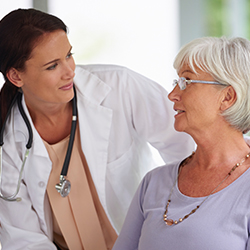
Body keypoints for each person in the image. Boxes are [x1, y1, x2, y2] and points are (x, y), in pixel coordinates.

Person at [0, 8, 194, 250]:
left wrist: (182, 219)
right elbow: (23, 238)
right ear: (16, 77)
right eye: (52, 66)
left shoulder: (119, 87)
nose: (70, 71)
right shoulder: (7, 143)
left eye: (69, 55)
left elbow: (188, 144)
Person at [112, 36, 250, 250]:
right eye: (176, 82)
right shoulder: (154, 183)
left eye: (186, 82)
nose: (172, 95)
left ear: (227, 97)